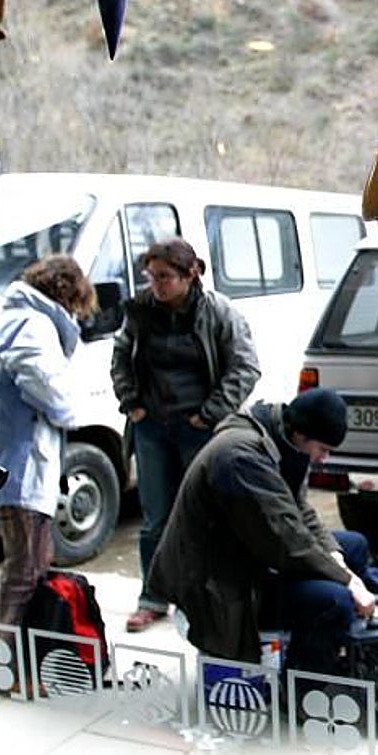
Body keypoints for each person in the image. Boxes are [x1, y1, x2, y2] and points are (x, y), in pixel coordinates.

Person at [148, 388, 376, 675]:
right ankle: (309, 686)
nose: (324, 459)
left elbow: (299, 510)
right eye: (323, 449)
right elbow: (286, 541)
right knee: (333, 600)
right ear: (302, 435)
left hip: (248, 554)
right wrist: (347, 581)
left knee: (354, 546)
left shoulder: (283, 438)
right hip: (219, 585)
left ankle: (348, 644)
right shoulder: (241, 457)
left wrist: (335, 557)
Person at [110, 237, 261, 633]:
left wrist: (208, 414)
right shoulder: (140, 312)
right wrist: (131, 403)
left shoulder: (219, 313)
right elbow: (120, 358)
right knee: (155, 518)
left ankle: (203, 595)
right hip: (152, 428)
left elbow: (245, 368)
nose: (157, 285)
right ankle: (152, 596)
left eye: (165, 277)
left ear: (189, 275)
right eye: (152, 277)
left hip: (199, 429)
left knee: (202, 514)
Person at [0, 255, 96, 676]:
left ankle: (21, 661)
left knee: (33, 563)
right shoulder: (30, 324)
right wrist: (73, 413)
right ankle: (2, 668)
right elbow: (44, 384)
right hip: (17, 462)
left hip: (14, 457)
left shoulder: (15, 317)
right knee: (23, 568)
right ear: (69, 294)